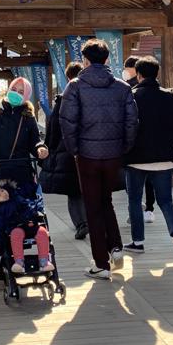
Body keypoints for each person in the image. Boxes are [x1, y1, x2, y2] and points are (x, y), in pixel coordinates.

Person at [60, 38, 138, 280]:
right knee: (106, 201)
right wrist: (123, 147)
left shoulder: (74, 87)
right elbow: (132, 122)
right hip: (113, 154)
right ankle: (115, 246)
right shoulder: (122, 87)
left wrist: (75, 149)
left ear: (85, 60)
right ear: (106, 59)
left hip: (86, 155)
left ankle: (101, 263)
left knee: (93, 207)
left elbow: (67, 122)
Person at [123, 56, 173, 263]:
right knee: (166, 200)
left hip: (136, 158)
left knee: (135, 200)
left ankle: (138, 242)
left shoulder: (131, 97)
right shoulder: (170, 98)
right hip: (164, 158)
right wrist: (169, 145)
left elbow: (125, 125)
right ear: (157, 73)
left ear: (138, 75)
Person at [0, 77, 48, 186]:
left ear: (26, 96)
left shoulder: (28, 115)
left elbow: (35, 140)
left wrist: (40, 148)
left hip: (22, 172)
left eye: (21, 92)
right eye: (13, 89)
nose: (16, 93)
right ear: (9, 89)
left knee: (23, 197)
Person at [40, 61, 87, 239]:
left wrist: (48, 150)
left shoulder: (62, 100)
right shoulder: (91, 97)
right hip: (90, 150)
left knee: (73, 191)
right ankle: (94, 221)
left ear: (67, 78)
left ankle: (81, 223)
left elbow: (53, 129)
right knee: (90, 188)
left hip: (66, 152)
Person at [0, 179, 53, 274]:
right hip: (15, 227)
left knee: (42, 232)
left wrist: (33, 217)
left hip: (30, 223)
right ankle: (19, 262)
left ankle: (44, 262)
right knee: (16, 234)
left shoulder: (15, 196)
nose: (3, 194)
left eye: (2, 190)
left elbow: (27, 204)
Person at [123, 55, 155, 224]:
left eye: (127, 69)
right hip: (150, 140)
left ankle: (140, 209)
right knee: (148, 179)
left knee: (134, 180)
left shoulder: (128, 89)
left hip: (134, 142)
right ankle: (147, 209)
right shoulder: (156, 88)